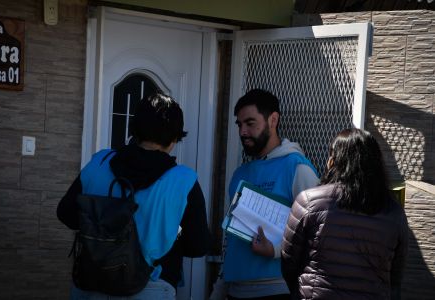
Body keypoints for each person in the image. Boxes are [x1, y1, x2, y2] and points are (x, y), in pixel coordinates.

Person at [57, 92, 211, 299]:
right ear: (175, 138)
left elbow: (65, 214)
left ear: (135, 129)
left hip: (91, 283)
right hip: (151, 286)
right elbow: (197, 246)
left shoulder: (100, 162)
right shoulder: (184, 180)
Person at [281, 128, 409, 299]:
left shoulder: (309, 201)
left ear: (334, 161)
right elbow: (395, 276)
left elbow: (288, 263)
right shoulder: (394, 213)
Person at [222, 89, 319, 300]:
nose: (243, 132)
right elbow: (232, 238)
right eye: (239, 125)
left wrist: (275, 251)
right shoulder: (240, 174)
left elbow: (316, 232)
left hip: (277, 289)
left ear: (273, 120)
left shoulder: (297, 167)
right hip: (234, 289)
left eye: (250, 123)